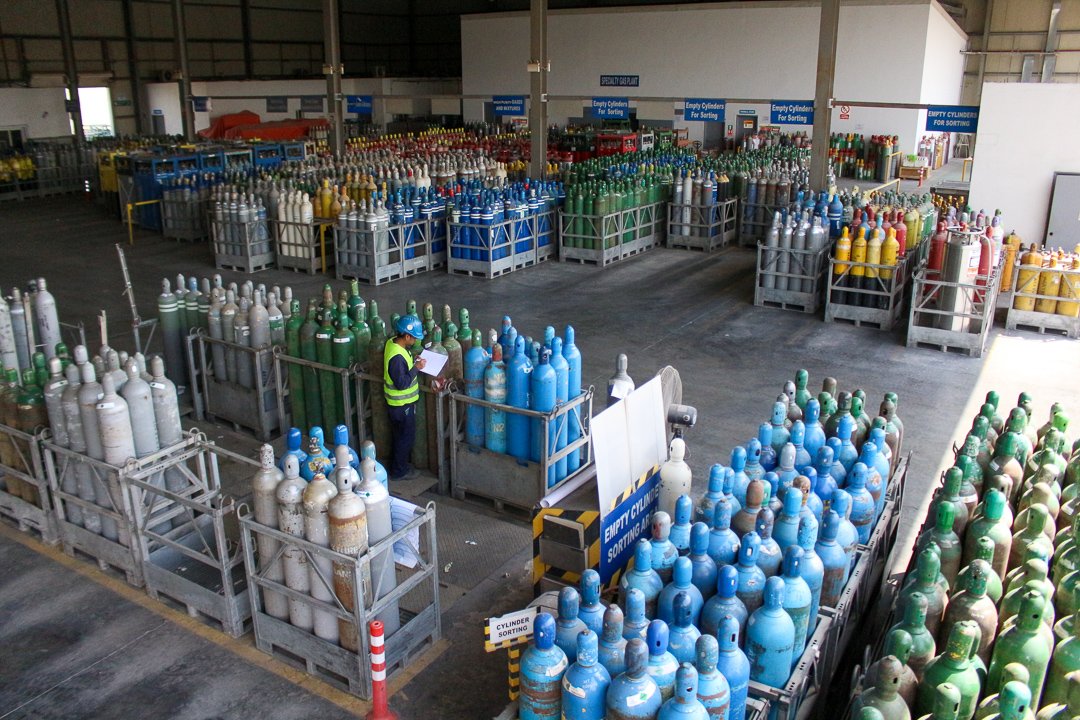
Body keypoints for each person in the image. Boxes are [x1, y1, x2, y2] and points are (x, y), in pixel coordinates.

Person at [384, 314, 426, 479]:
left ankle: (398, 466)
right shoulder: (397, 357)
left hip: (398, 406)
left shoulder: (393, 343)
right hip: (401, 406)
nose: (415, 341)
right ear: (407, 336)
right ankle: (399, 472)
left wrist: (413, 361)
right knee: (405, 439)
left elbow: (402, 365)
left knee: (399, 437)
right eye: (414, 337)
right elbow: (401, 383)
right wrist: (416, 368)